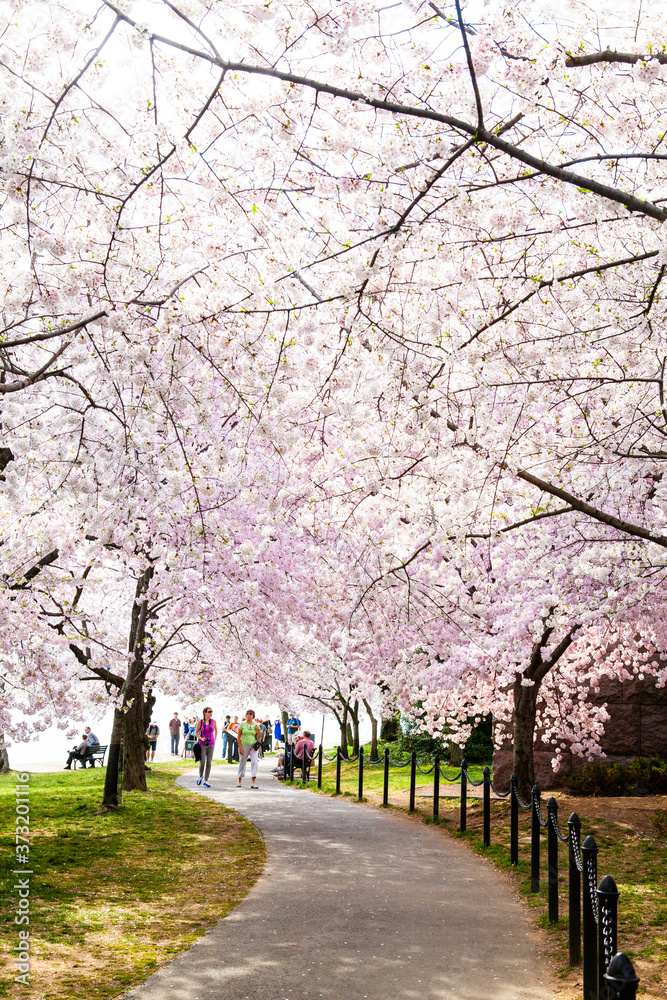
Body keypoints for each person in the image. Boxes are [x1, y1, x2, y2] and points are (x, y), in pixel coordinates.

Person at [237, 709, 262, 789]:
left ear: (253, 716)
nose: (249, 715)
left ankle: (253, 782)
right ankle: (239, 780)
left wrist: (258, 730)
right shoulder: (242, 724)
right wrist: (240, 747)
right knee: (242, 762)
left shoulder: (255, 725)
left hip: (253, 746)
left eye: (250, 714)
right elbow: (238, 737)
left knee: (254, 762)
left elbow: (258, 737)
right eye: (247, 714)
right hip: (244, 745)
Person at [195, 707, 217, 787]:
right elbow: (196, 733)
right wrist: (201, 738)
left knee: (209, 762)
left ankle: (206, 780)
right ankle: (200, 776)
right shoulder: (200, 722)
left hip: (211, 743)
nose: (210, 713)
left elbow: (216, 729)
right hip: (202, 744)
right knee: (202, 761)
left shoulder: (213, 721)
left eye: (211, 711)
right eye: (209, 711)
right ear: (205, 713)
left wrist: (215, 737)